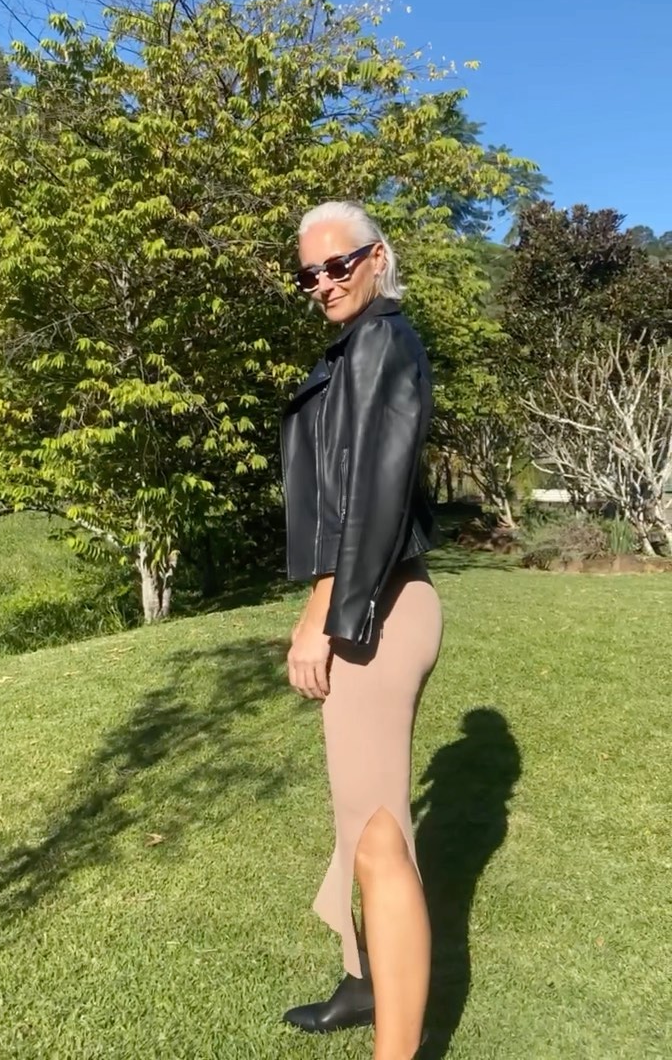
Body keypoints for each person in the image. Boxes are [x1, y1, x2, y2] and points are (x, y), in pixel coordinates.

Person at [280, 200, 444, 1060]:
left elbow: (367, 499)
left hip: (374, 609)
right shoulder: (357, 347)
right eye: (308, 273)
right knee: (360, 816)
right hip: (369, 601)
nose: (323, 281)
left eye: (338, 264)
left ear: (377, 257)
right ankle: (362, 979)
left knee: (379, 834)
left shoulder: (381, 340)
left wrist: (322, 617)